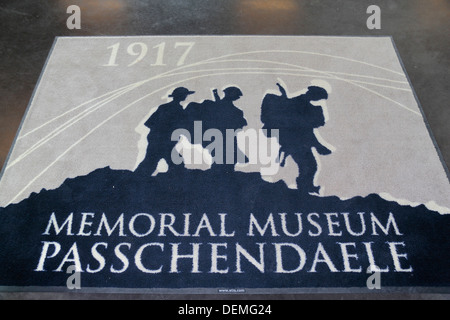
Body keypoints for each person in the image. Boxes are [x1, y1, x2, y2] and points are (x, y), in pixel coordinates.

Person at [261, 83, 331, 194]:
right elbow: (303, 128)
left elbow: (308, 130)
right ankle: (304, 189)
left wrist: (318, 145)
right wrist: (318, 146)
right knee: (309, 166)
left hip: (299, 141)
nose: (318, 101)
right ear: (312, 94)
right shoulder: (298, 103)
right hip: (294, 142)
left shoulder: (302, 103)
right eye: (318, 98)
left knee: (310, 166)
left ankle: (306, 187)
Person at [136, 87, 194, 175]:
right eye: (185, 95)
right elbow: (184, 126)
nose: (186, 96)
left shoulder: (164, 107)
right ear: (181, 96)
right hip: (164, 141)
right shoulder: (178, 110)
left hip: (157, 139)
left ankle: (135, 178)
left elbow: (149, 123)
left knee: (150, 162)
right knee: (172, 162)